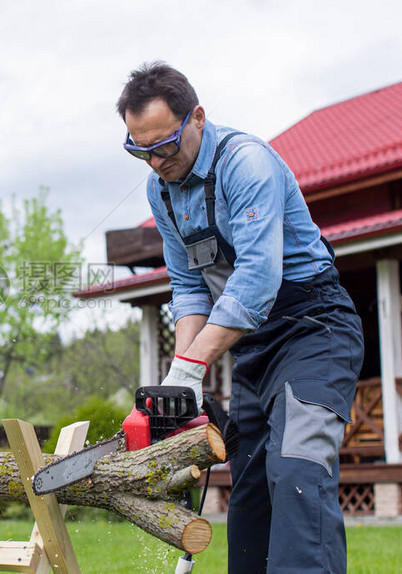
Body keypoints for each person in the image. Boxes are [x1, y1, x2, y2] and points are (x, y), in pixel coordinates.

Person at [116, 62, 364, 574]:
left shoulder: (245, 163)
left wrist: (192, 366)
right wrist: (179, 375)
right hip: (255, 344)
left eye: (164, 145)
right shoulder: (160, 190)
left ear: (198, 118)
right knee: (249, 485)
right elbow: (188, 287)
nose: (156, 160)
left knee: (297, 468)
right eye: (140, 150)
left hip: (313, 328)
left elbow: (256, 279)